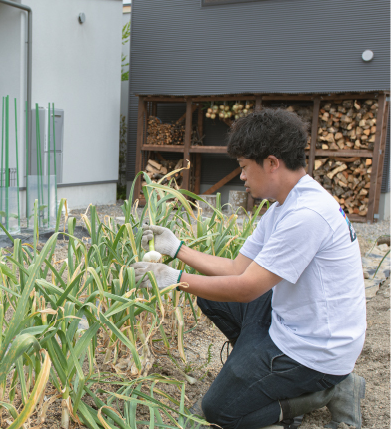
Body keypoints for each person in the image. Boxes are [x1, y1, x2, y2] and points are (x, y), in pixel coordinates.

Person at [131, 108, 366, 429]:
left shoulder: (307, 214)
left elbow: (246, 288)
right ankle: (260, 374)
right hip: (294, 321)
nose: (241, 176)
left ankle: (323, 392)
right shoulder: (283, 206)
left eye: (243, 167)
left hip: (315, 350)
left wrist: (174, 280)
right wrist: (178, 250)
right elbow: (237, 268)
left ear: (271, 163)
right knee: (212, 296)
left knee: (219, 411)